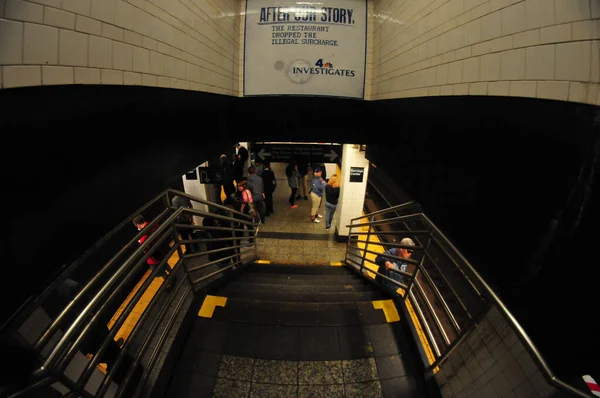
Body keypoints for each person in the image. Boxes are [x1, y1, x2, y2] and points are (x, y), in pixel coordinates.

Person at [132, 215, 176, 290]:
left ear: (138, 225)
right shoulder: (153, 224)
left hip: (153, 257)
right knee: (165, 264)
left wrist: (140, 242)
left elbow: (145, 250)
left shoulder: (143, 237)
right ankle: (173, 274)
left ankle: (169, 283)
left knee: (159, 270)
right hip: (161, 249)